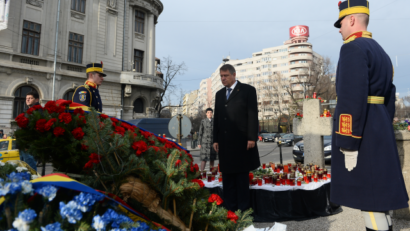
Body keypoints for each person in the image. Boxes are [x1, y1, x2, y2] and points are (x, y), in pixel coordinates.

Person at [331, 1, 408, 230]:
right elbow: (390, 94)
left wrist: (347, 141)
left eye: (342, 22)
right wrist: (382, 123)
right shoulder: (381, 51)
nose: (340, 28)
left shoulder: (352, 48)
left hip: (362, 132)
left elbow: (351, 97)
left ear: (352, 20)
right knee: (380, 199)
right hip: (378, 126)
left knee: (370, 201)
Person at [213, 64, 260, 212]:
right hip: (225, 145)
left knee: (241, 180)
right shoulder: (219, 94)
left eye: (226, 75)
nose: (223, 78)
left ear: (234, 74)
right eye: (221, 76)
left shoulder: (247, 90)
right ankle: (230, 212)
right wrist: (215, 139)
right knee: (227, 181)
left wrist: (252, 137)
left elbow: (253, 115)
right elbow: (217, 118)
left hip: (242, 144)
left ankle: (244, 214)